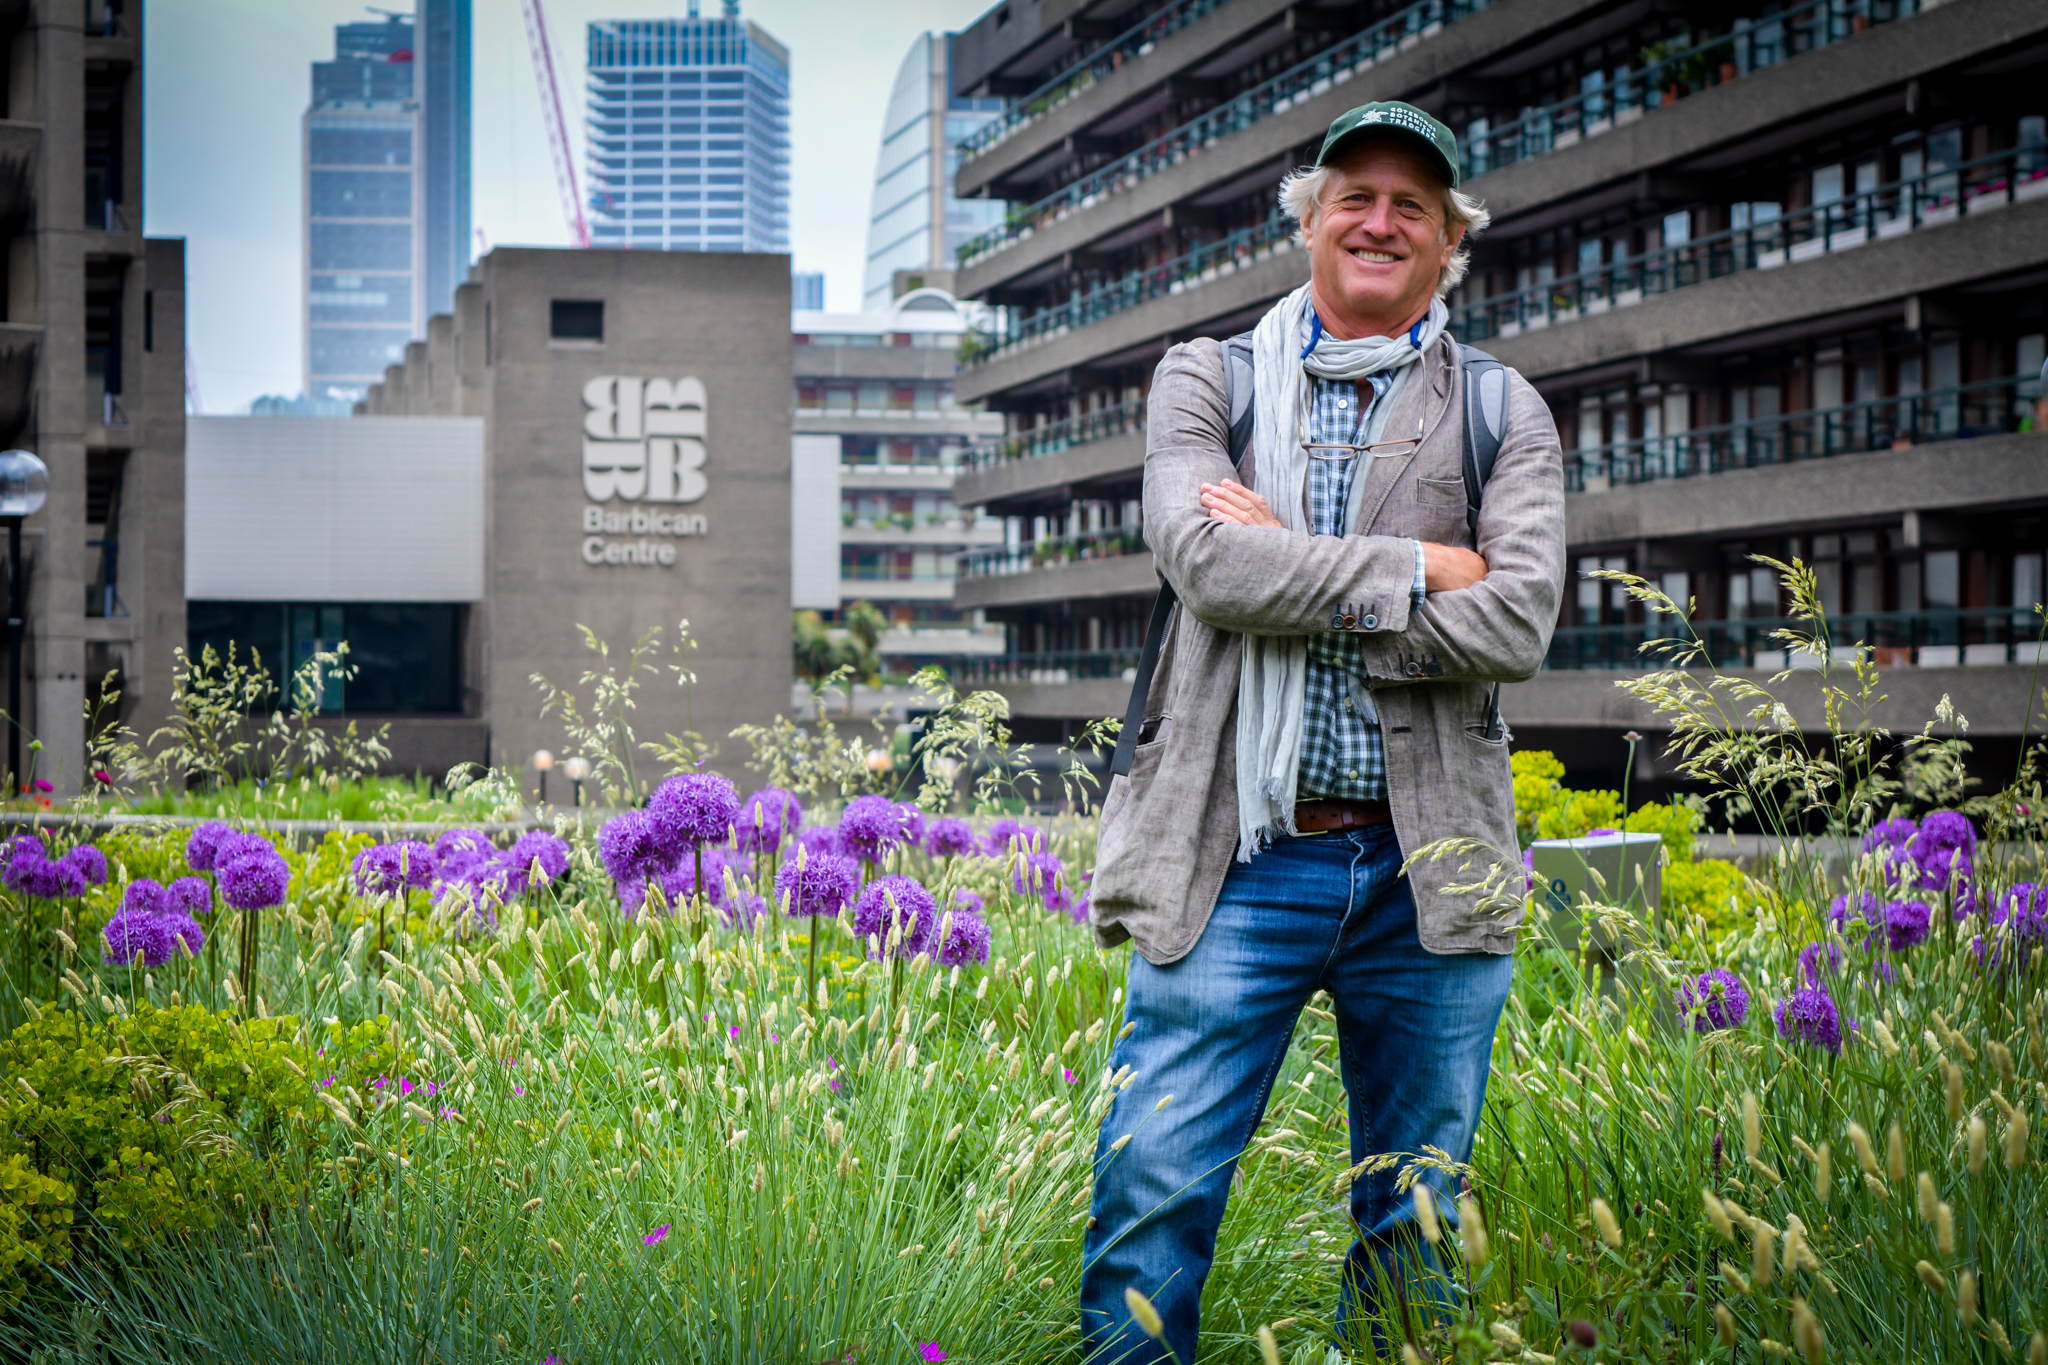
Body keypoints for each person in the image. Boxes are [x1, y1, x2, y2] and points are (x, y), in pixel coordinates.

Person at [1080, 101, 1567, 1362]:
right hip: (1232, 859)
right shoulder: (1208, 378)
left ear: (1448, 242)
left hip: (1429, 869)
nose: (1379, 220)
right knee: (1154, 1196)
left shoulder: (1501, 410)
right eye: (1354, 193)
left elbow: (1516, 620)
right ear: (1307, 217)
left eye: (1413, 205)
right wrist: (1423, 567)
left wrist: (1291, 566)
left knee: (1413, 1218)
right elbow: (1204, 565)